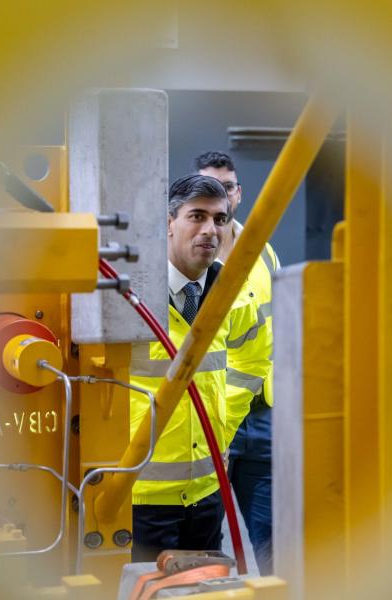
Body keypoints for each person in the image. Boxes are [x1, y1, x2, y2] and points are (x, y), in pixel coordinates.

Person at [129, 174, 269, 562]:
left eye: (220, 219)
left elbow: (252, 361)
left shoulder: (234, 294)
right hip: (138, 494)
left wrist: (222, 430)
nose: (210, 230)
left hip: (206, 492)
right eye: (197, 216)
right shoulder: (127, 296)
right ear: (169, 222)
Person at [195, 150, 279, 575]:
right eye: (207, 186)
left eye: (225, 188)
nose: (218, 197)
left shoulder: (263, 253)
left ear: (238, 194)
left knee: (270, 538)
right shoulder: (184, 257)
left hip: (260, 417)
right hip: (207, 415)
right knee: (203, 537)